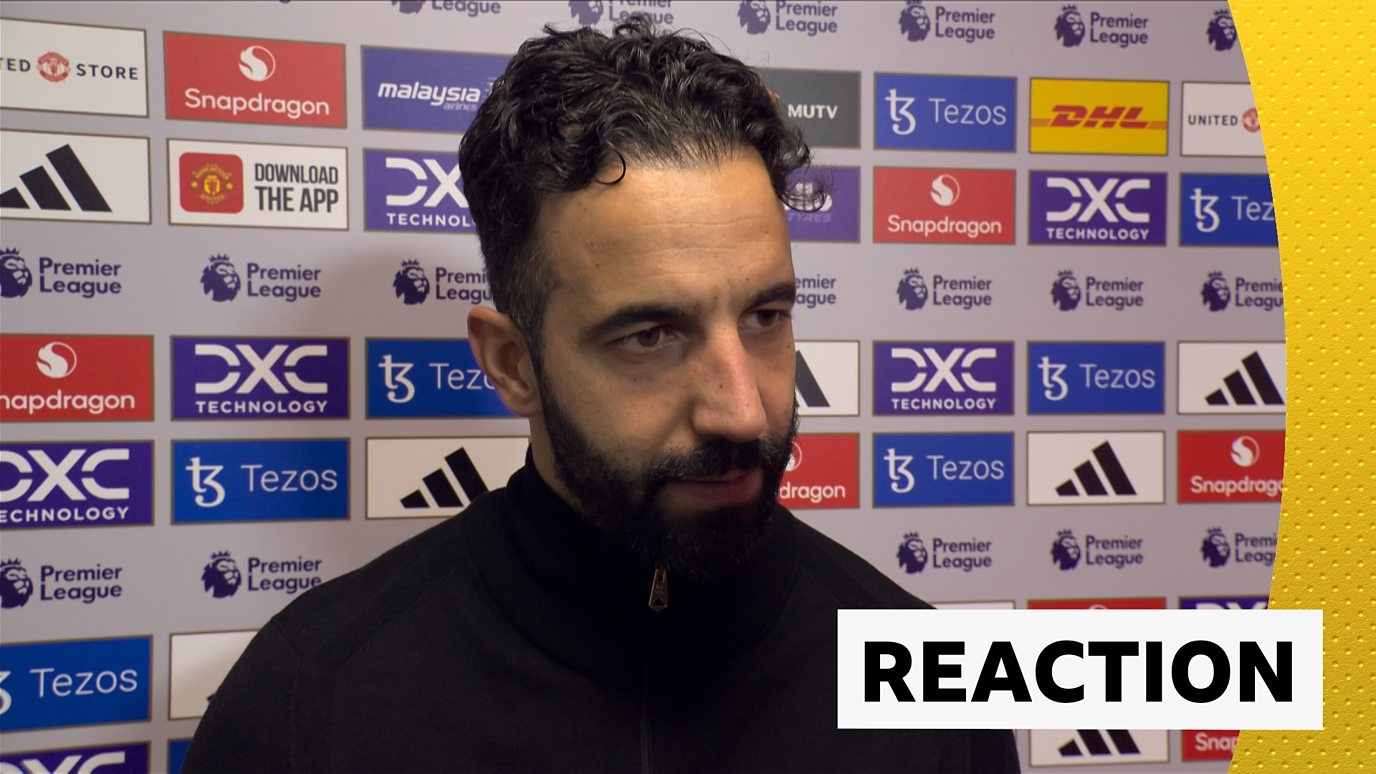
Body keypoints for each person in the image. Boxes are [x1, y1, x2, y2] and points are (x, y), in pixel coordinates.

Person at [184, 18, 1020, 772]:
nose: (744, 411)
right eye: (651, 336)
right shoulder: (310, 701)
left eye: (765, 317)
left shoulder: (932, 685)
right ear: (512, 364)